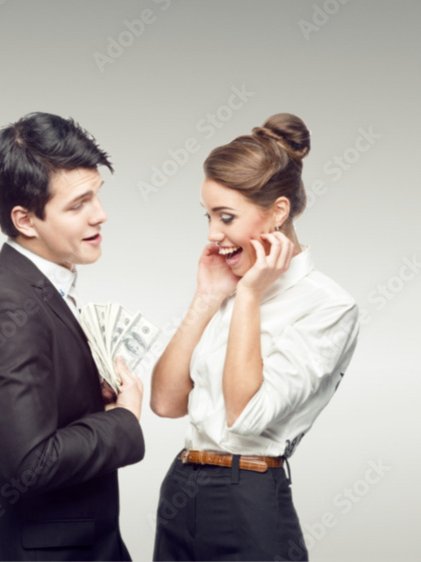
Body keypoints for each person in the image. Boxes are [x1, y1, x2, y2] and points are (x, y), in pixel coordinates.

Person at [150, 113, 359, 560]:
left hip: (246, 492)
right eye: (208, 216)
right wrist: (207, 297)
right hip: (182, 486)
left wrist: (248, 296)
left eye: (226, 216)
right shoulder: (229, 285)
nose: (212, 234)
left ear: (278, 212)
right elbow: (166, 402)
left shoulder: (328, 306)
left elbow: (244, 416)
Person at [0, 112, 145, 561]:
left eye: (96, 196)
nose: (100, 215)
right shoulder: (4, 307)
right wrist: (124, 419)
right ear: (25, 220)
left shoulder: (40, 291)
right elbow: (30, 463)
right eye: (77, 204)